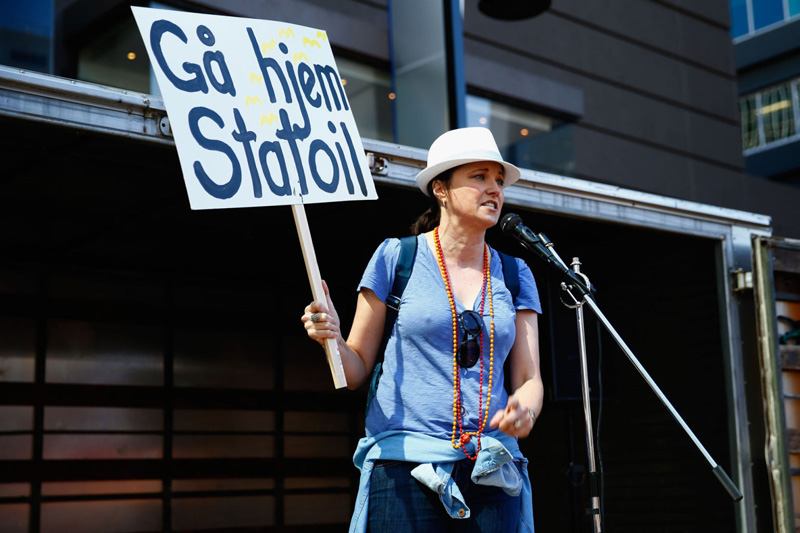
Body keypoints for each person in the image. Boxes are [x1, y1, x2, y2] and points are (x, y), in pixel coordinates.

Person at [302, 127, 543, 532]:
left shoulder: (517, 274)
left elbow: (529, 378)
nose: (494, 189)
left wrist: (527, 410)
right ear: (441, 188)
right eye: (479, 177)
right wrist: (332, 338)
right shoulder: (396, 257)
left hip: (491, 465)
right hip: (403, 467)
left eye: (499, 181)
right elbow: (355, 369)